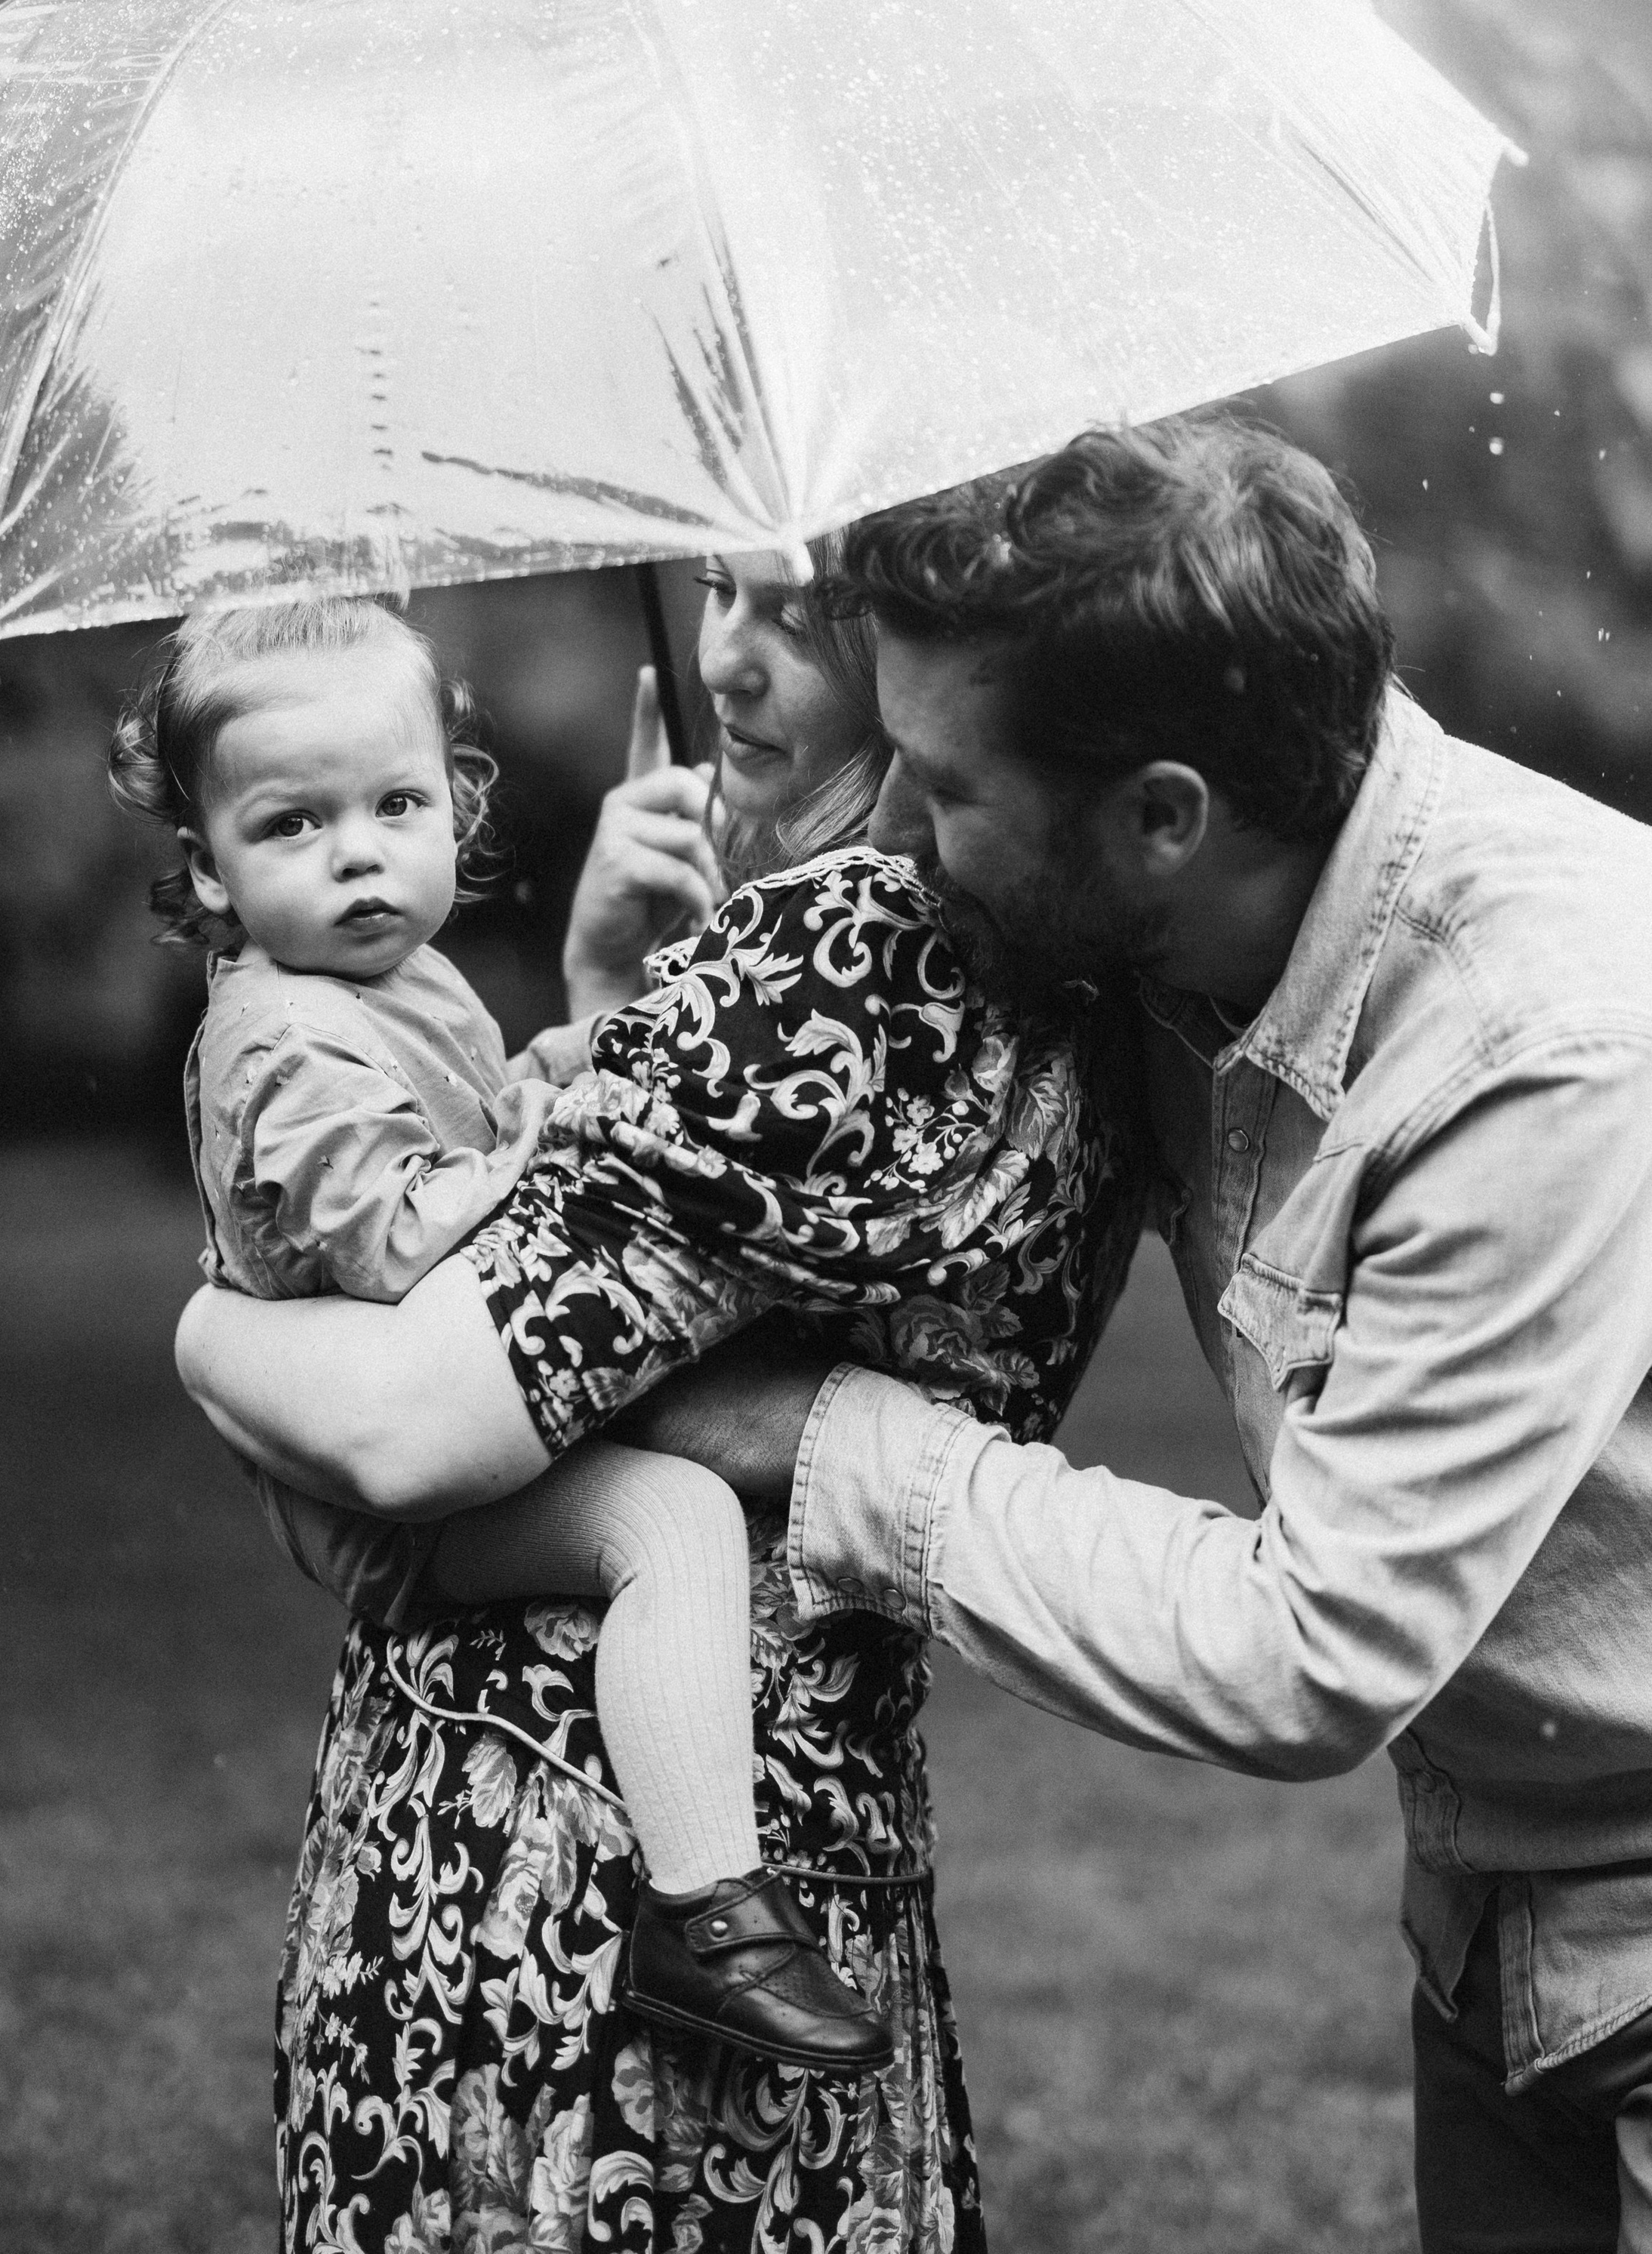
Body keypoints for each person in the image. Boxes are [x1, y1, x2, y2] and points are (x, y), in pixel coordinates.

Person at [660, 418, 1652, 2254]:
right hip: (1489, 1909)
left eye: (943, 787)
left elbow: (1309, 1653)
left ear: (1161, 815)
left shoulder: (1541, 1047)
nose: (902, 835)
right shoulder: (1164, 932)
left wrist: (830, 1443)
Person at [174, 544, 1147, 2254]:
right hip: (810, 1828)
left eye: (803, 615)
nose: (728, 660)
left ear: (931, 647)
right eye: (721, 592)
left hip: (558, 1868)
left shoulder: (840, 950)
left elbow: (435, 1393)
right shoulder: (1065, 943)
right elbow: (633, 1276)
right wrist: (624, 1009)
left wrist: (208, 1338)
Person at [109, 590, 884, 2070]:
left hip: (434, 1428)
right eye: (290, 825)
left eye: (394, 805)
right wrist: (554, 1132)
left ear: (455, 810)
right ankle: (707, 1911)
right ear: (207, 869)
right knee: (671, 1519)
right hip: (389, 1498)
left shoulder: (386, 982)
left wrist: (581, 1052)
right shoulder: (285, 1037)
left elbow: (468, 1121)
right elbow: (399, 1237)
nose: (355, 852)